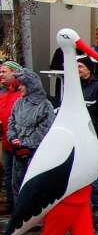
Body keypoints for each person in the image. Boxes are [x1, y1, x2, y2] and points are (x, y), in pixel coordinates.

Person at [71, 59, 98, 225]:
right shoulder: (73, 86)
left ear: (89, 69)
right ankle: (81, 208)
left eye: (80, 66)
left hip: (90, 135)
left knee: (92, 173)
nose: (78, 69)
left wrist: (92, 129)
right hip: (75, 135)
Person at [7, 70, 55, 200]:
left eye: (22, 84)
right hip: (18, 152)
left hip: (35, 153)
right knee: (17, 184)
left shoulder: (45, 105)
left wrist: (26, 144)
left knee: (34, 186)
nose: (20, 87)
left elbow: (45, 129)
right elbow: (11, 122)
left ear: (31, 86)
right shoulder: (19, 103)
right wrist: (13, 138)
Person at [0, 61, 24, 212]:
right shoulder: (4, 95)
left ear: (15, 73)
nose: (1, 74)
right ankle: (11, 204)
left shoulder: (23, 94)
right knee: (9, 175)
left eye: (4, 71)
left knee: (19, 176)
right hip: (7, 143)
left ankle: (21, 207)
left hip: (20, 143)